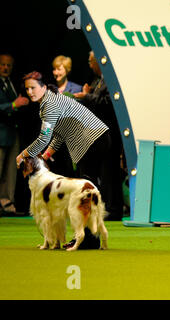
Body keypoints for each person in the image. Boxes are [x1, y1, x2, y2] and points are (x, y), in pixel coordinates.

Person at [15, 71, 113, 248]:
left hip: (91, 139)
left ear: (43, 87)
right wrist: (45, 155)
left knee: (86, 189)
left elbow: (44, 138)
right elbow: (59, 135)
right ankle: (90, 238)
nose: (30, 92)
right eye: (27, 88)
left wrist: (24, 154)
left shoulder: (49, 104)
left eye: (33, 87)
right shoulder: (50, 100)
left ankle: (88, 240)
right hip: (96, 138)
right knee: (88, 187)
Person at [74, 51, 124, 221]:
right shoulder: (97, 81)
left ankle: (114, 208)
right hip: (98, 134)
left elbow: (109, 103)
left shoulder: (111, 80)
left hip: (111, 133)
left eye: (90, 61)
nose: (89, 65)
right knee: (103, 171)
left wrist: (87, 96)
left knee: (110, 171)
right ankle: (106, 206)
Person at [0, 53, 29, 215]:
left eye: (8, 65)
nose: (5, 68)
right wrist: (14, 104)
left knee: (11, 171)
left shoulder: (11, 83)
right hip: (1, 133)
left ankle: (7, 204)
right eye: (3, 64)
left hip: (12, 132)